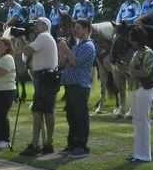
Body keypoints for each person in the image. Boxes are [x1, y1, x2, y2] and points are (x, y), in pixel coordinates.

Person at [20, 17, 59, 156]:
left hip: (44, 78)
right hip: (47, 78)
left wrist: (25, 38)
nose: (35, 26)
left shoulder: (43, 36)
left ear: (45, 26)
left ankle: (36, 144)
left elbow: (27, 51)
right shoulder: (46, 37)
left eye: (38, 24)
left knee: (39, 111)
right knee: (46, 110)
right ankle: (48, 143)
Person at [57, 18, 96, 158]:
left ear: (86, 29)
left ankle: (81, 145)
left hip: (80, 85)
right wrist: (61, 48)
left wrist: (65, 47)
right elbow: (63, 62)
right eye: (75, 27)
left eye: (78, 28)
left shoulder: (88, 46)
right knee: (71, 116)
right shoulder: (77, 45)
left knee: (81, 116)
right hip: (71, 85)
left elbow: (75, 62)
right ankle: (72, 143)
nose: (75, 30)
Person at [123, 27, 153, 163]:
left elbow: (146, 72)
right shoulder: (137, 53)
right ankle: (138, 152)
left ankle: (144, 154)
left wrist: (129, 69)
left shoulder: (148, 53)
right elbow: (133, 72)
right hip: (134, 88)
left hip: (144, 88)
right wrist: (125, 70)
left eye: (133, 39)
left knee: (143, 121)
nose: (131, 42)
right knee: (137, 121)